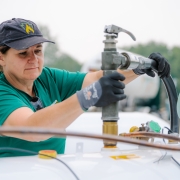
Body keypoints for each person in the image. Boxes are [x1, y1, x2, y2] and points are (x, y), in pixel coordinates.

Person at [0, 18, 170, 157]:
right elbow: (32, 130)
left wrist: (140, 69)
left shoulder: (46, 77)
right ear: (1, 58)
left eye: (38, 50)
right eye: (23, 53)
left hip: (54, 171)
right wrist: (89, 96)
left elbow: (98, 78)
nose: (34, 59)